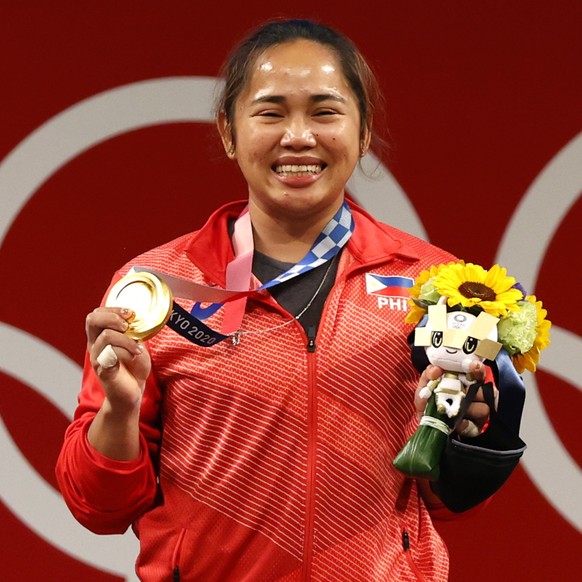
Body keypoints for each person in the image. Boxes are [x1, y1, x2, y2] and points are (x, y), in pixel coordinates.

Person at [56, 18, 506, 581]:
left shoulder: (432, 284)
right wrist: (120, 411)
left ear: (363, 131)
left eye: (324, 111)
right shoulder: (160, 287)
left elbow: (455, 498)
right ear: (228, 130)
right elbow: (98, 507)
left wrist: (456, 436)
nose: (298, 136)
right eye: (270, 112)